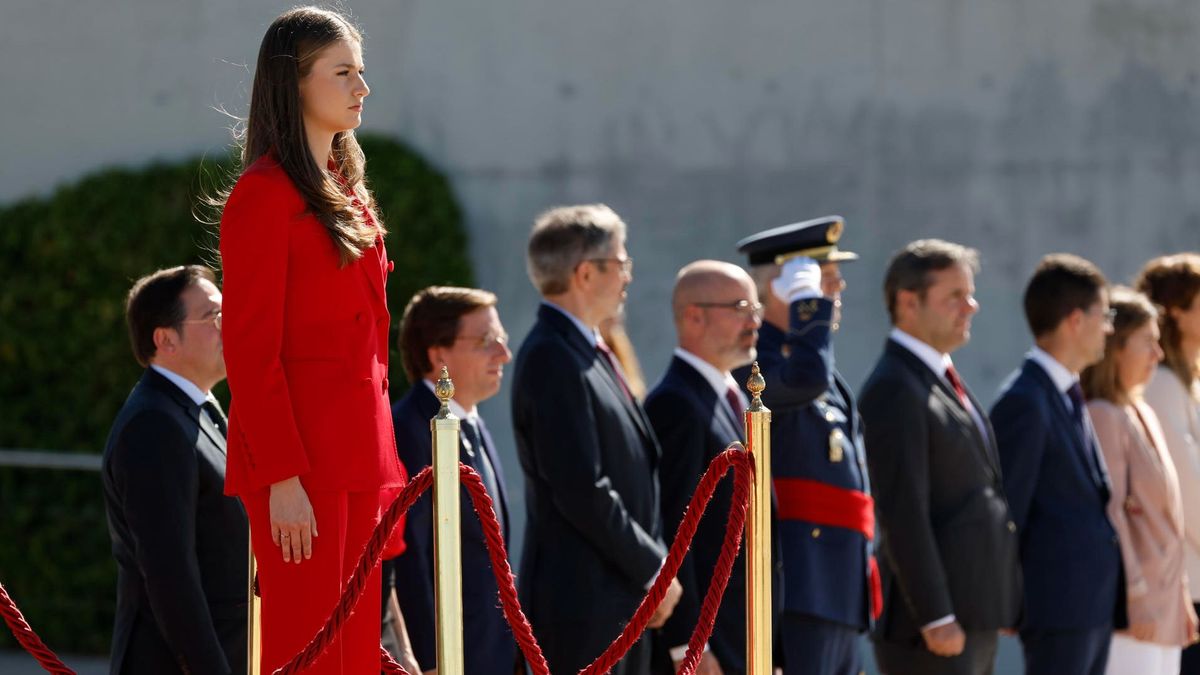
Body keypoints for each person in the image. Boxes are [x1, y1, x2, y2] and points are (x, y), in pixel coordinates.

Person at [217, 7, 412, 673]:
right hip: (300, 466)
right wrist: (281, 476)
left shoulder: (347, 191)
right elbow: (249, 349)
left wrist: (382, 467)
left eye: (362, 71)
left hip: (359, 458)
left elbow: (371, 353)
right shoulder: (264, 194)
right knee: (309, 651)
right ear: (295, 82)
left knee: (355, 653)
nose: (363, 87)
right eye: (344, 72)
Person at [511, 203, 683, 675]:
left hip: (614, 602)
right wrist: (654, 568)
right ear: (586, 273)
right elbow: (581, 486)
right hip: (583, 607)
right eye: (621, 263)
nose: (628, 276)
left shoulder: (582, 348)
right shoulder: (553, 356)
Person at [859, 239, 1021, 675]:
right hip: (930, 628)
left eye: (969, 294)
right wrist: (935, 614)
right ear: (908, 303)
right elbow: (902, 510)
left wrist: (1001, 598)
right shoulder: (896, 386)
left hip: (970, 615)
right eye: (954, 296)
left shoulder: (937, 376)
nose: (970, 306)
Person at [734, 216, 876, 675]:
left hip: (837, 588)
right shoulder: (756, 363)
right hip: (799, 586)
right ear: (781, 289)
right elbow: (804, 382)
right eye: (820, 281)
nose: (833, 292)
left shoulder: (817, 361)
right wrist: (807, 312)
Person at [101, 265, 248, 674]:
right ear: (165, 339)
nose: (228, 324)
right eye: (213, 316)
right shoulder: (154, 424)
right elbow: (171, 576)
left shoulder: (199, 408)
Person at [990, 253, 1121, 675]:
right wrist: (1008, 603)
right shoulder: (1025, 401)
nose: (1110, 328)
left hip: (1088, 607)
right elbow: (1008, 510)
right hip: (1058, 609)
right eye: (1105, 315)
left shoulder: (1063, 392)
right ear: (1074, 320)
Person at [388, 286, 518, 675]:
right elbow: (410, 555)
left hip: (491, 650)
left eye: (502, 340)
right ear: (438, 353)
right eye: (485, 341)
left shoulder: (472, 421)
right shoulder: (412, 429)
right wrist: (430, 659)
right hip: (452, 657)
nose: (503, 354)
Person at [644, 260, 762, 675]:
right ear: (694, 315)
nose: (755, 321)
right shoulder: (675, 403)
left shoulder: (732, 395)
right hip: (709, 643)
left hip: (745, 632)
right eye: (742, 307)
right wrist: (687, 645)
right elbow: (677, 529)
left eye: (756, 309)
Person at [1081, 286, 1199, 674]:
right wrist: (1135, 595)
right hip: (1136, 610)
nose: (1158, 354)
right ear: (1115, 349)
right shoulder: (1102, 414)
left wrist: (1179, 596)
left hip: (1164, 605)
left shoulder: (1140, 411)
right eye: (1147, 342)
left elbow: (1167, 513)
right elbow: (1113, 514)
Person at [1136, 253, 1200, 674]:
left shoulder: (1185, 382)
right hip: (1187, 589)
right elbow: (1189, 494)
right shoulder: (1161, 386)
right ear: (1174, 314)